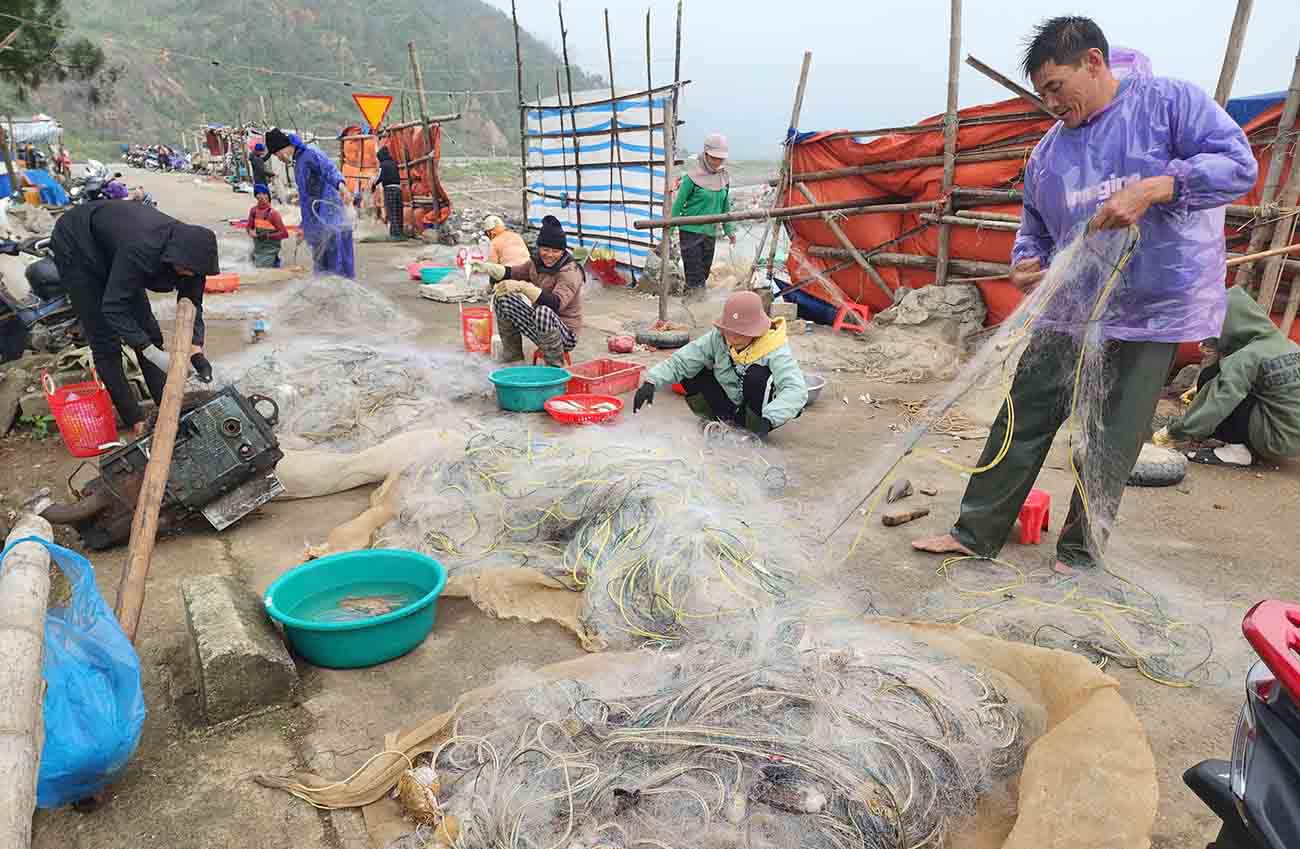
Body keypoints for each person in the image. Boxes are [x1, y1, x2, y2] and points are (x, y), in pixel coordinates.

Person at [912, 16, 1257, 573]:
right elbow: (1034, 227)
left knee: (1112, 435)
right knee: (1023, 415)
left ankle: (1079, 551)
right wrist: (1025, 259)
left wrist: (1156, 187)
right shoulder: (1048, 154)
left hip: (1151, 310)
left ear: (1093, 62)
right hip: (1073, 308)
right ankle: (975, 531)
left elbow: (1238, 165)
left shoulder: (1169, 103)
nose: (1050, 102)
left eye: (1056, 86)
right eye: (1041, 92)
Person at [51, 200, 218, 435]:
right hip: (78, 244)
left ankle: (166, 408)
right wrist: (150, 351)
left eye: (194, 272)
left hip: (117, 249)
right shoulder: (142, 249)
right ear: (174, 258)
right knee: (105, 340)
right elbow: (113, 307)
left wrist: (196, 348)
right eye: (186, 271)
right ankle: (135, 419)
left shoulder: (193, 252)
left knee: (149, 331)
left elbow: (192, 303)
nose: (190, 275)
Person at [1153, 286, 1300, 467]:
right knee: (1222, 381)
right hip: (1292, 436)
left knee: (1212, 378)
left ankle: (1237, 452)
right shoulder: (1289, 345)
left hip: (1274, 440)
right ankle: (1251, 443)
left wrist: (1175, 431)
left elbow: (1220, 400)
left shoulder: (1247, 357)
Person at [633, 291, 807, 439]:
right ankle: (718, 420)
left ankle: (752, 429)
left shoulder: (775, 347)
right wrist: (652, 382)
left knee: (757, 375)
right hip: (729, 400)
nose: (733, 338)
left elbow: (795, 390)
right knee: (692, 370)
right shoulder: (718, 337)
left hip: (758, 409)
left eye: (740, 333)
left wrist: (770, 420)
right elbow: (683, 360)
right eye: (730, 331)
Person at [473, 215, 581, 367]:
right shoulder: (536, 263)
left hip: (565, 335)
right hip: (540, 326)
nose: (549, 255)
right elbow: (514, 272)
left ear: (563, 252)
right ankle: (513, 359)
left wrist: (523, 287)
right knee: (503, 298)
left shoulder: (569, 271)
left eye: (555, 251)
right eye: (545, 249)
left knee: (543, 311)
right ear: (539, 248)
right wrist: (487, 267)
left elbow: (555, 304)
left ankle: (555, 368)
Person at [263, 127, 355, 278]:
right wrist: (304, 227)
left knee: (335, 258)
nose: (278, 158)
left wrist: (343, 188)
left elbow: (329, 170)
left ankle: (341, 292)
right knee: (321, 260)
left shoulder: (311, 153)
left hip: (329, 214)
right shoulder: (299, 161)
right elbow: (308, 198)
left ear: (283, 148)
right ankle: (326, 292)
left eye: (277, 154)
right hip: (316, 218)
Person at [670, 133, 736, 296]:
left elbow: (725, 206)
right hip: (690, 233)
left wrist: (729, 231)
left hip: (710, 233)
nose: (717, 162)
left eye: (721, 159)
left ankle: (688, 308)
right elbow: (678, 205)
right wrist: (669, 231)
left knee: (703, 276)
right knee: (695, 279)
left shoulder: (723, 177)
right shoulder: (691, 178)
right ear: (705, 154)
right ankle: (697, 313)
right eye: (714, 158)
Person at [245, 184, 289, 268]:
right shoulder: (253, 211)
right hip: (258, 249)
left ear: (268, 196)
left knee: (262, 269)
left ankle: (276, 261)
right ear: (256, 196)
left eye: (264, 194)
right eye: (258, 194)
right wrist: (250, 231)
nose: (261, 196)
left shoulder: (273, 214)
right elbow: (248, 227)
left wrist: (267, 236)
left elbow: (284, 234)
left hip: (270, 251)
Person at [373, 147, 403, 239]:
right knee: (398, 212)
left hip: (389, 189)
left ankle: (395, 235)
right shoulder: (394, 163)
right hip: (398, 189)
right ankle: (400, 233)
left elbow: (380, 177)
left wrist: (374, 185)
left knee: (392, 212)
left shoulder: (383, 165)